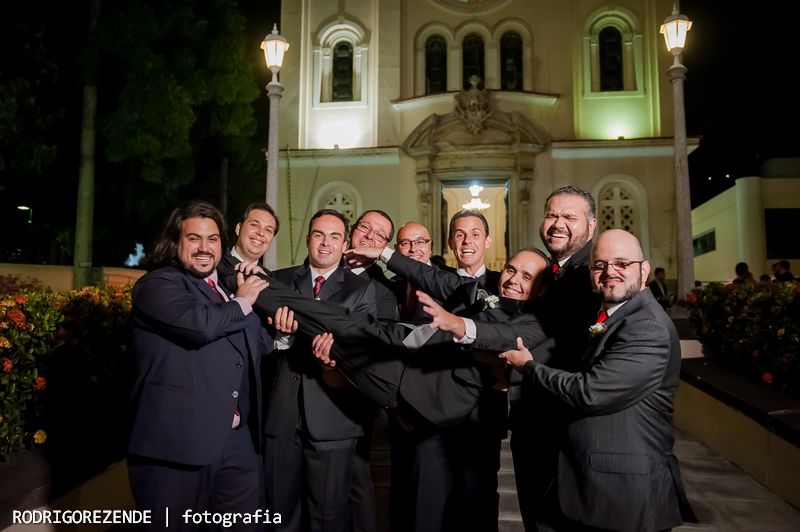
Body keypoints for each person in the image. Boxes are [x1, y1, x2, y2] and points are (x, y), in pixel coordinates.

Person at [499, 229, 695, 532]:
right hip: (590, 486)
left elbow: (589, 392)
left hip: (623, 496)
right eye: (600, 265)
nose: (610, 272)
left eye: (621, 264)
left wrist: (528, 367)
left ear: (643, 270)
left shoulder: (647, 327)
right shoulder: (612, 314)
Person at [127, 201, 273, 531]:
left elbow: (255, 344)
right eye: (194, 239)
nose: (204, 248)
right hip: (176, 448)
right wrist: (244, 300)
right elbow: (201, 325)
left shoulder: (224, 289)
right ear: (175, 242)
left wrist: (282, 332)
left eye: (212, 239)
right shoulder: (156, 285)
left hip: (236, 443)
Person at [262, 209, 379, 532]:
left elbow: (362, 348)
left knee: (329, 518)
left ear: (344, 245)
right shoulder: (278, 280)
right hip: (281, 416)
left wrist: (335, 359)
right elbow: (256, 349)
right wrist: (281, 340)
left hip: (333, 419)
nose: (325, 244)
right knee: (279, 515)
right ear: (308, 238)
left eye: (334, 237)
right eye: (318, 235)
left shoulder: (361, 289)